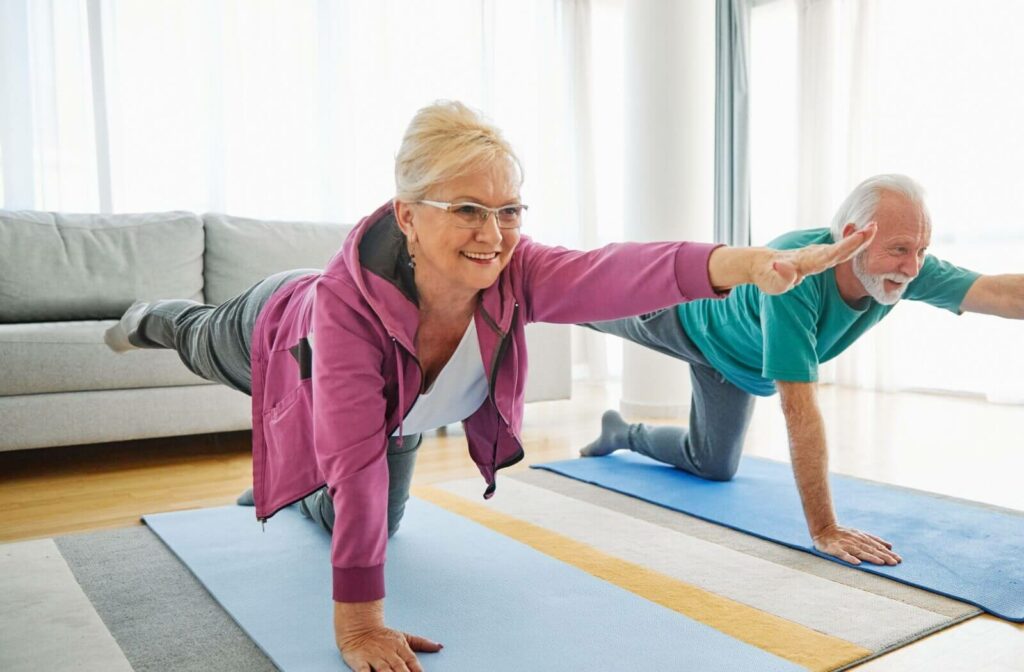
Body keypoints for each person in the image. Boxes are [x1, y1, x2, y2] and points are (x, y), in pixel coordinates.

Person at [104, 100, 873, 672]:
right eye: (467, 210)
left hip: (390, 416)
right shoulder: (344, 316)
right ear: (407, 216)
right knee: (202, 343)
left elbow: (620, 270)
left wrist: (746, 265)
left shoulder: (518, 270)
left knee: (378, 520)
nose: (494, 234)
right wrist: (360, 626)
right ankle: (154, 318)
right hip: (276, 325)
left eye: (507, 210)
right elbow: (356, 462)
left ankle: (285, 482)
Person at [582, 173, 1024, 569]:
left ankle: (620, 434)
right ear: (854, 237)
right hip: (684, 321)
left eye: (922, 251)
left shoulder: (905, 268)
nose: (911, 266)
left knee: (713, 465)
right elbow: (799, 410)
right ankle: (523, 292)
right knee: (582, 306)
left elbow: (999, 293)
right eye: (900, 250)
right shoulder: (796, 274)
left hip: (735, 368)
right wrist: (825, 529)